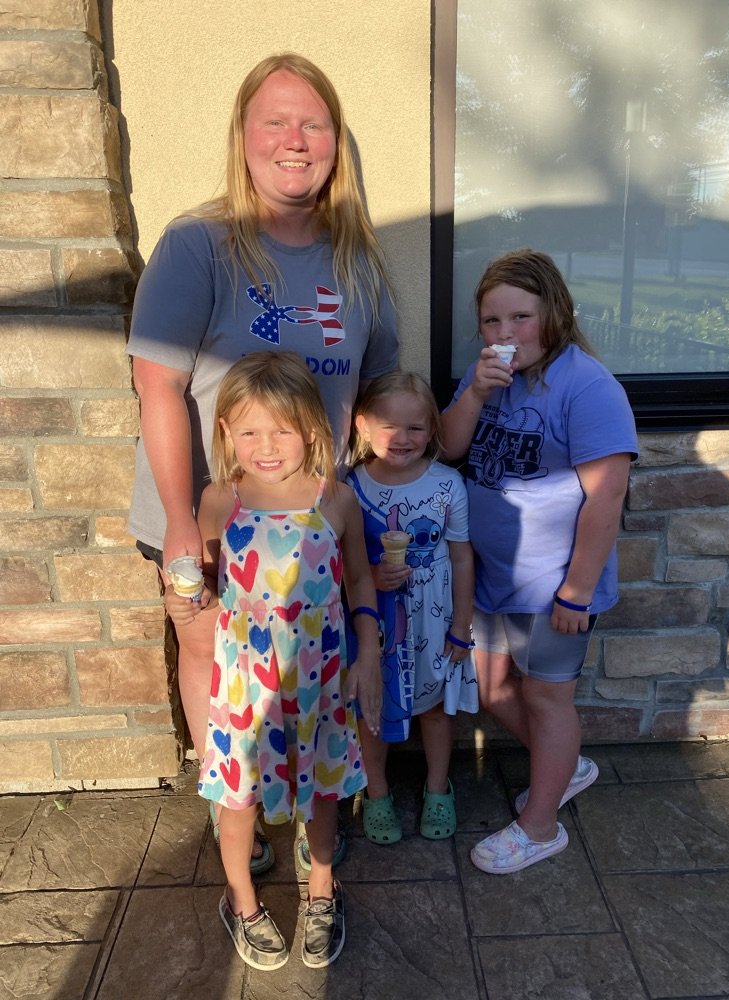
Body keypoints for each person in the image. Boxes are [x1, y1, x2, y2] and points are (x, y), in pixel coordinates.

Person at [126, 52, 398, 870]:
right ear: (242, 136)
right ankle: (236, 812)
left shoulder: (358, 258)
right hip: (212, 515)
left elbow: (374, 386)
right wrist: (182, 523)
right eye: (274, 121)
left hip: (312, 523)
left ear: (336, 140)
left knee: (309, 665)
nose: (295, 139)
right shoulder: (199, 243)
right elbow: (159, 388)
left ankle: (308, 804)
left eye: (313, 122)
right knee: (216, 664)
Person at [166, 351, 382, 969]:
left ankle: (320, 888)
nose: (266, 445)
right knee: (238, 801)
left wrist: (367, 650)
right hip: (244, 686)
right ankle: (241, 901)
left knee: (323, 791)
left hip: (319, 680)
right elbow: (203, 585)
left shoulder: (334, 498)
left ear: (312, 428)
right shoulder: (218, 500)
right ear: (227, 432)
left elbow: (361, 581)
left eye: (282, 429)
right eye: (250, 430)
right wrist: (186, 602)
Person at [441, 249, 638, 874]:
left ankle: (541, 824)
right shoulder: (490, 380)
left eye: (520, 318)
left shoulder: (587, 387)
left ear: (555, 313)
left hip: (553, 584)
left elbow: (606, 497)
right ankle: (565, 767)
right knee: (493, 687)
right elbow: (448, 447)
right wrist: (473, 391)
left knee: (549, 700)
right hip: (492, 579)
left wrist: (577, 591)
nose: (505, 334)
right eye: (492, 321)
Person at [345, 372, 477, 844]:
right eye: (388, 426)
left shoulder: (447, 485)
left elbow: (461, 555)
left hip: (436, 615)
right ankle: (376, 792)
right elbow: (340, 562)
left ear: (433, 430)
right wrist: (374, 578)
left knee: (438, 707)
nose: (402, 438)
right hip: (375, 620)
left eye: (416, 428)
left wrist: (461, 625)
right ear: (361, 425)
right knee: (372, 707)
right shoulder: (348, 488)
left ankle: (439, 788)